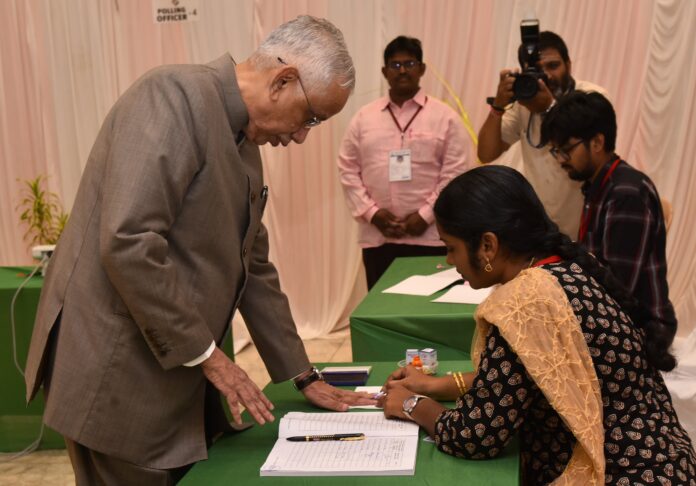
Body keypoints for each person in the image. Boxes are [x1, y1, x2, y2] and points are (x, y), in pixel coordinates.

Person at [23, 15, 374, 485]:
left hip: (172, 378)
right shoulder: (173, 96)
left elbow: (253, 264)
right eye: (310, 116)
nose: (302, 135)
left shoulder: (244, 140)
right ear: (282, 80)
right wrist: (212, 357)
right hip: (119, 377)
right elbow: (129, 242)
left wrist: (302, 374)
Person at [378, 165, 695, 485]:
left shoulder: (525, 302)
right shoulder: (565, 267)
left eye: (451, 248)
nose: (449, 261)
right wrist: (434, 384)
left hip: (624, 474)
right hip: (664, 460)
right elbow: (525, 376)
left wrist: (410, 405)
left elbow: (474, 436)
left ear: (487, 245)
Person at [541, 90, 677, 350]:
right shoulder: (600, 185)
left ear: (597, 142)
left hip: (643, 329)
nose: (560, 160)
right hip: (615, 317)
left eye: (566, 150)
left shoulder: (626, 194)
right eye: (556, 151)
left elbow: (617, 286)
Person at [337, 36, 471, 288]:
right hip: (378, 237)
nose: (402, 70)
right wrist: (372, 213)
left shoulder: (445, 117)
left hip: (431, 236)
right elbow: (347, 169)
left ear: (421, 69)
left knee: (429, 312)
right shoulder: (363, 119)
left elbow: (456, 173)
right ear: (384, 71)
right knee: (382, 311)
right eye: (395, 65)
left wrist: (426, 215)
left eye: (409, 63)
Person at [477, 31, 608, 238]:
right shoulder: (524, 104)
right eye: (538, 69)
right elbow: (486, 153)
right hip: (544, 227)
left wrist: (548, 109)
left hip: (586, 222)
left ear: (569, 64)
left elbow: (583, 150)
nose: (547, 75)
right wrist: (498, 106)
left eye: (553, 66)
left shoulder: (592, 96)